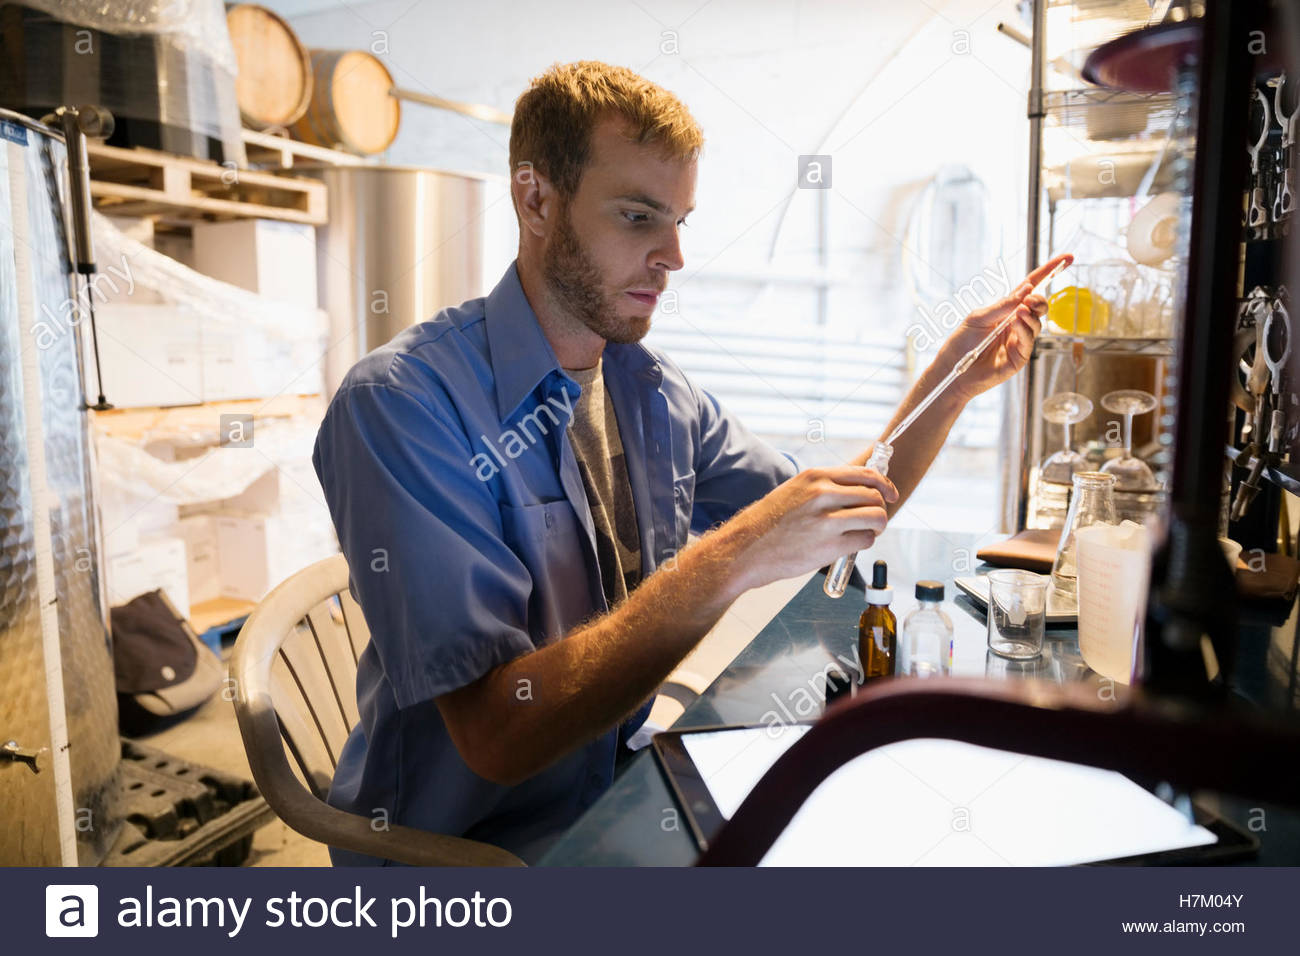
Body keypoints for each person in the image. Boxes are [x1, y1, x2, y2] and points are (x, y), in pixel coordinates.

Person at [313, 60, 1062, 865]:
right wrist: (735, 557)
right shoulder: (402, 405)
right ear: (535, 199)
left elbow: (844, 514)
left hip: (619, 789)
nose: (672, 255)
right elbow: (499, 738)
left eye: (679, 221)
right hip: (469, 856)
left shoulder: (650, 391)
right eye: (638, 217)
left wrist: (951, 379)